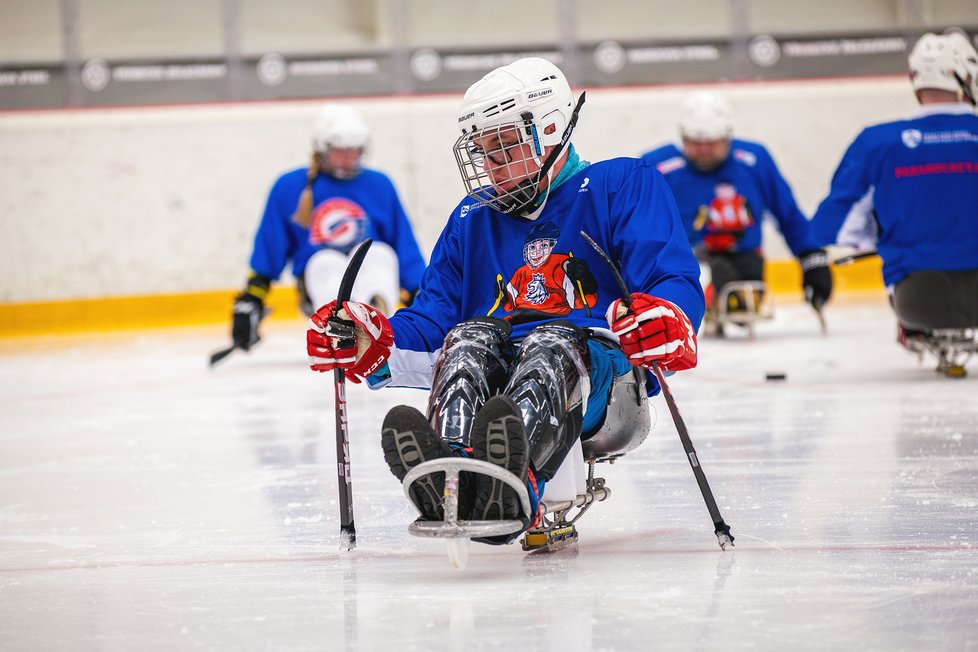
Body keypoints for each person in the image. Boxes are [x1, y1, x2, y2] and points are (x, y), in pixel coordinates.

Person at [306, 57, 705, 545]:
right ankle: (454, 476)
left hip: (605, 383)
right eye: (483, 149)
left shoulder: (620, 184)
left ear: (552, 128)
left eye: (505, 146)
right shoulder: (471, 218)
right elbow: (433, 323)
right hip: (505, 380)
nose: (490, 165)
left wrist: (669, 317)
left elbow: (670, 276)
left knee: (553, 341)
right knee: (468, 338)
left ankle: (515, 484)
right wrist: (375, 341)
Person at [809, 31, 978, 362]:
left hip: (919, 301)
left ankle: (911, 330)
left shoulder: (877, 142)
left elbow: (832, 225)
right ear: (965, 76)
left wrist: (881, 235)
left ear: (914, 80)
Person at [231, 103, 427, 353]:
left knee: (380, 253)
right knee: (324, 261)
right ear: (322, 149)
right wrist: (252, 298)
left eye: (355, 150)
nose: (350, 157)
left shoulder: (380, 184)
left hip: (369, 273)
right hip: (318, 281)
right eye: (341, 151)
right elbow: (270, 247)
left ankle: (375, 325)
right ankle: (341, 328)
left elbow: (404, 246)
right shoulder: (290, 187)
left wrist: (420, 296)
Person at [641, 91, 832, 324]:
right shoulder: (657, 166)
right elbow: (636, 226)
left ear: (727, 135)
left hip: (744, 259)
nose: (703, 150)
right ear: (682, 136)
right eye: (695, 143)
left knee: (744, 306)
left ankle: (714, 297)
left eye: (712, 143)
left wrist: (811, 256)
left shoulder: (754, 160)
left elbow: (787, 214)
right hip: (682, 259)